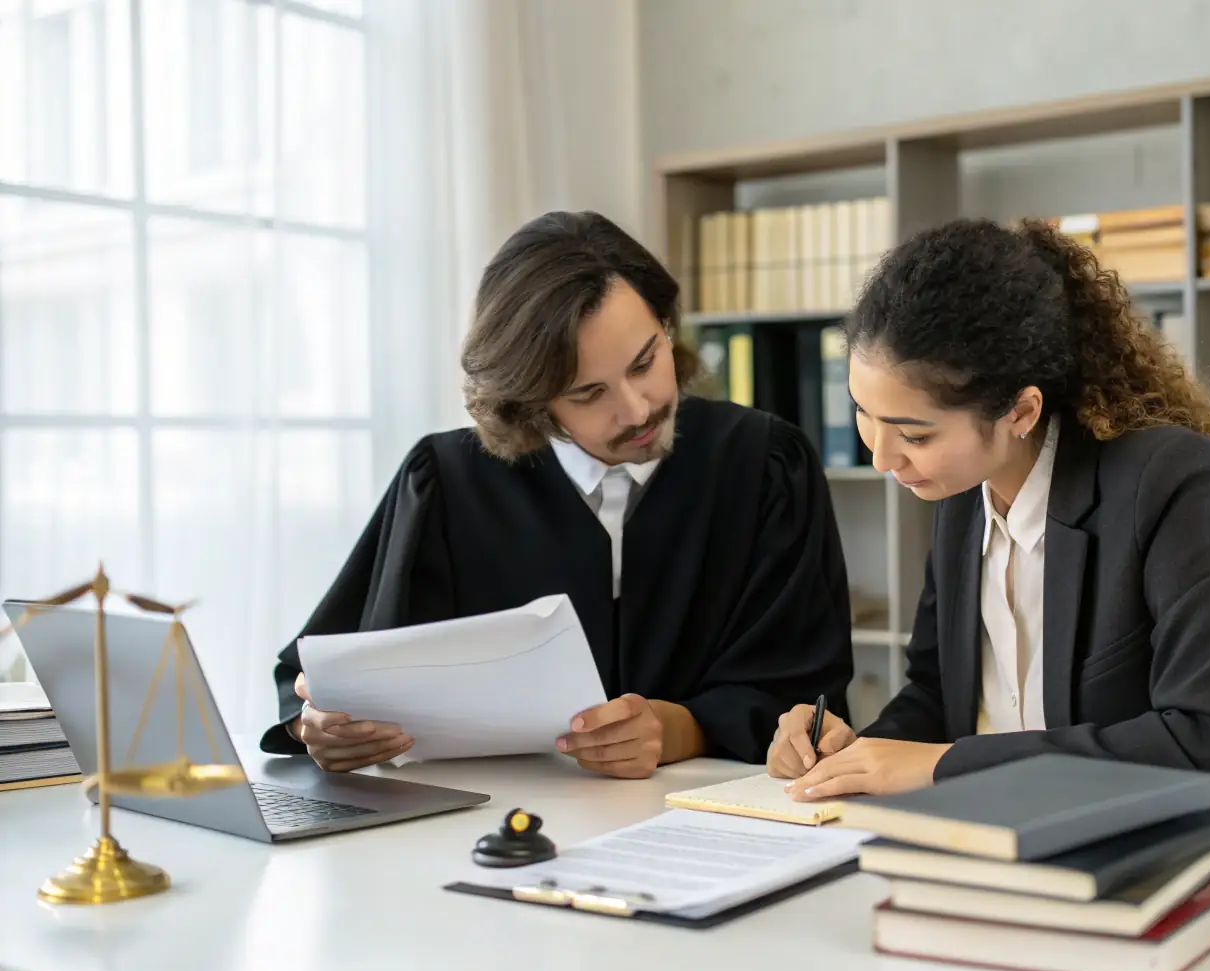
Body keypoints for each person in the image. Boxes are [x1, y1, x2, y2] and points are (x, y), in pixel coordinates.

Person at [767, 217, 1210, 833]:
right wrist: (850, 753)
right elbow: (936, 695)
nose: (881, 457)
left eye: (914, 434)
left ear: (1020, 412)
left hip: (1201, 852)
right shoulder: (960, 495)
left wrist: (946, 766)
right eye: (865, 417)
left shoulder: (1168, 482)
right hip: (1013, 840)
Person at [260, 210, 854, 779]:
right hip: (485, 830)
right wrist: (319, 727)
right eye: (589, 393)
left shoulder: (765, 463)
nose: (638, 408)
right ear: (531, 400)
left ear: (666, 323)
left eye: (646, 361)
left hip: (710, 823)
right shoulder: (446, 479)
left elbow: (805, 696)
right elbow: (322, 673)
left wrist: (680, 728)